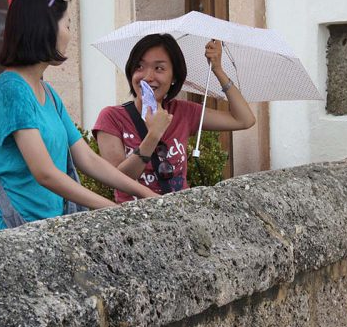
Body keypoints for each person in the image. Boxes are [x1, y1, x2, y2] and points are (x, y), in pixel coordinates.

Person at [0, 0, 158, 233]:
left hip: (46, 227)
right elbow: (45, 173)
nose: (70, 35)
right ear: (45, 29)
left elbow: (87, 159)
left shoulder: (47, 92)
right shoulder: (12, 90)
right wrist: (111, 209)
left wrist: (144, 193)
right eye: (68, 25)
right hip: (11, 229)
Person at [93, 33, 256, 202]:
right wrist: (153, 136)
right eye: (139, 67)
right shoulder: (112, 118)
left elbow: (244, 120)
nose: (147, 77)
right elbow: (116, 180)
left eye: (159, 68)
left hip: (179, 215)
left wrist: (218, 70)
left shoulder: (182, 112)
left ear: (174, 77)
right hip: (137, 221)